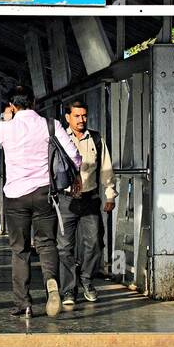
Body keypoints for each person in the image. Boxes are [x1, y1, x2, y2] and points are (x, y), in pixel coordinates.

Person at [0, 86, 81, 317]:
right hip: (45, 194)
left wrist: (5, 119)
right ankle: (51, 283)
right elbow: (74, 155)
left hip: (16, 197)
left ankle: (24, 303)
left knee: (20, 250)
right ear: (34, 101)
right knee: (46, 243)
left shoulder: (6, 127)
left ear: (12, 106)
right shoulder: (49, 124)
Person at [57, 99, 115, 306]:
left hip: (90, 198)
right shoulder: (59, 139)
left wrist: (110, 194)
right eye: (77, 116)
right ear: (67, 118)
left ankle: (87, 280)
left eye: (84, 115)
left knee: (95, 243)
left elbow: (106, 168)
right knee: (65, 247)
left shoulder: (96, 138)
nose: (81, 120)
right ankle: (68, 290)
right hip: (66, 200)